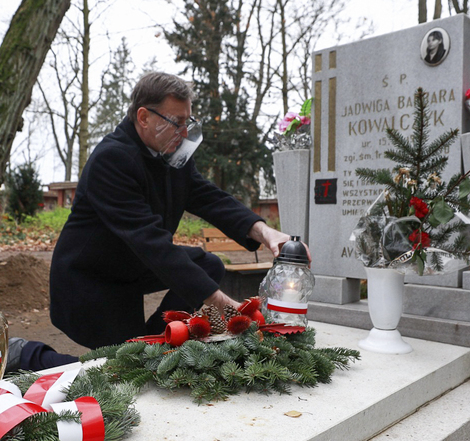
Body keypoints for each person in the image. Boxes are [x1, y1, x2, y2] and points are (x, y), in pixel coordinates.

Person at [48, 72, 306, 350]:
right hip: (92, 282)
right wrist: (222, 303)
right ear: (144, 117)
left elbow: (210, 198)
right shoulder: (111, 160)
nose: (184, 133)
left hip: (129, 266)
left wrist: (265, 232)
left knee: (207, 266)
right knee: (120, 365)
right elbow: (150, 243)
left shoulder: (170, 153)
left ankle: (159, 340)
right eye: (177, 123)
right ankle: (27, 357)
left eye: (188, 122)